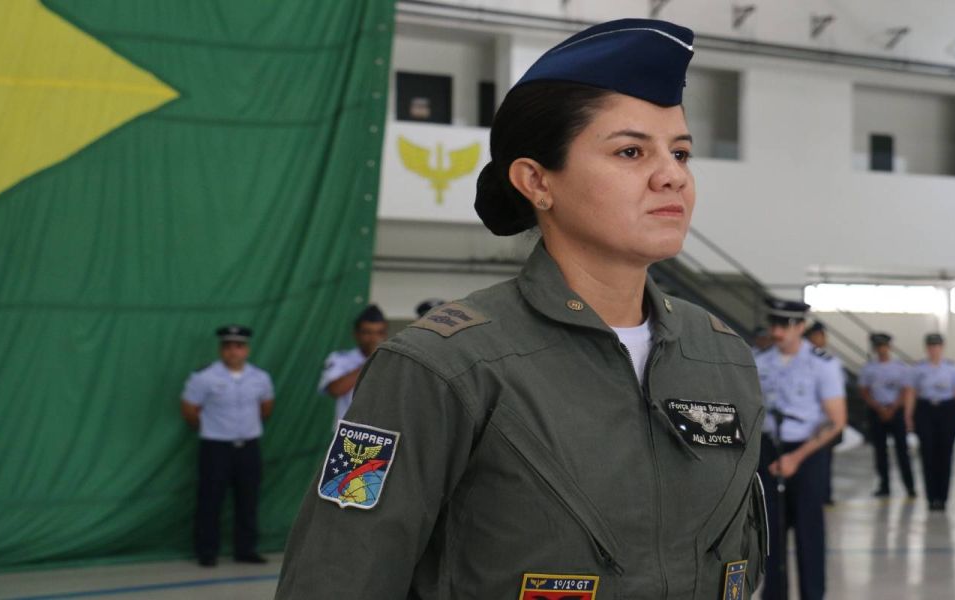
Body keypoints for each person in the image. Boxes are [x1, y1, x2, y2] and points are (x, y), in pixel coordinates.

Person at [276, 19, 768, 599]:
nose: (672, 176)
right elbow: (336, 577)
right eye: (632, 151)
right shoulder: (443, 367)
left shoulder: (722, 357)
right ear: (536, 180)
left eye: (681, 152)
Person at [754, 299, 847, 600]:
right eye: (774, 325)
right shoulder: (759, 360)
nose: (777, 332)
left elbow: (836, 422)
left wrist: (796, 457)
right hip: (768, 451)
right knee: (770, 533)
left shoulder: (823, 364)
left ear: (801, 326)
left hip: (807, 452)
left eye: (785, 326)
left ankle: (813, 594)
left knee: (809, 533)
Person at [179, 325, 275, 567]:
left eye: (239, 346)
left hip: (249, 446)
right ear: (222, 349)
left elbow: (266, 407)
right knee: (210, 500)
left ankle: (246, 549)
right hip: (215, 447)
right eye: (228, 346)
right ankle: (207, 551)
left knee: (248, 499)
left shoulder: (260, 377)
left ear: (247, 350)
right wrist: (213, 428)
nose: (234, 351)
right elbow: (189, 410)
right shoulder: (204, 377)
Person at [904, 333, 955, 512]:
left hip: (947, 410)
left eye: (937, 346)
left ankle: (942, 497)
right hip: (926, 410)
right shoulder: (918, 369)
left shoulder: (952, 369)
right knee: (927, 454)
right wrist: (908, 416)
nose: (934, 349)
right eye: (931, 346)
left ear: (942, 348)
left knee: (945, 454)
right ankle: (931, 497)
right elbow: (911, 393)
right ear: (926, 348)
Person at [858, 332, 916, 498]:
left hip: (895, 411)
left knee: (902, 451)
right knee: (880, 452)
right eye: (878, 346)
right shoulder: (868, 368)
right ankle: (884, 486)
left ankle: (909, 486)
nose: (881, 349)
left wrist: (893, 408)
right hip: (877, 412)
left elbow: (905, 391)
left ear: (889, 347)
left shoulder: (900, 367)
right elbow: (864, 391)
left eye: (884, 346)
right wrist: (879, 408)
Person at [318, 305, 388, 428]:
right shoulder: (341, 358)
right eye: (367, 333)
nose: (374, 338)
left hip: (383, 430)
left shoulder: (392, 360)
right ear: (356, 334)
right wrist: (370, 361)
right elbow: (335, 390)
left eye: (379, 333)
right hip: (348, 431)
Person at [804, 320, 838, 507]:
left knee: (825, 459)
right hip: (810, 420)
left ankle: (825, 493)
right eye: (818, 335)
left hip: (826, 420)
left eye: (823, 335)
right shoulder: (803, 360)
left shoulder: (828, 361)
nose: (821, 339)